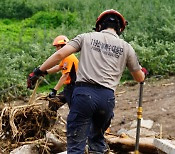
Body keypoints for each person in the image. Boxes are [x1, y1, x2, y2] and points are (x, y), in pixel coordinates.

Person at [27, 9, 148, 153]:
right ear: (120, 28)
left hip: (84, 95)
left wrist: (38, 71)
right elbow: (139, 78)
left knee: (76, 146)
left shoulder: (86, 37)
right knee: (97, 143)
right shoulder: (127, 48)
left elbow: (60, 54)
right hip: (107, 99)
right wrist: (142, 72)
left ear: (99, 25)